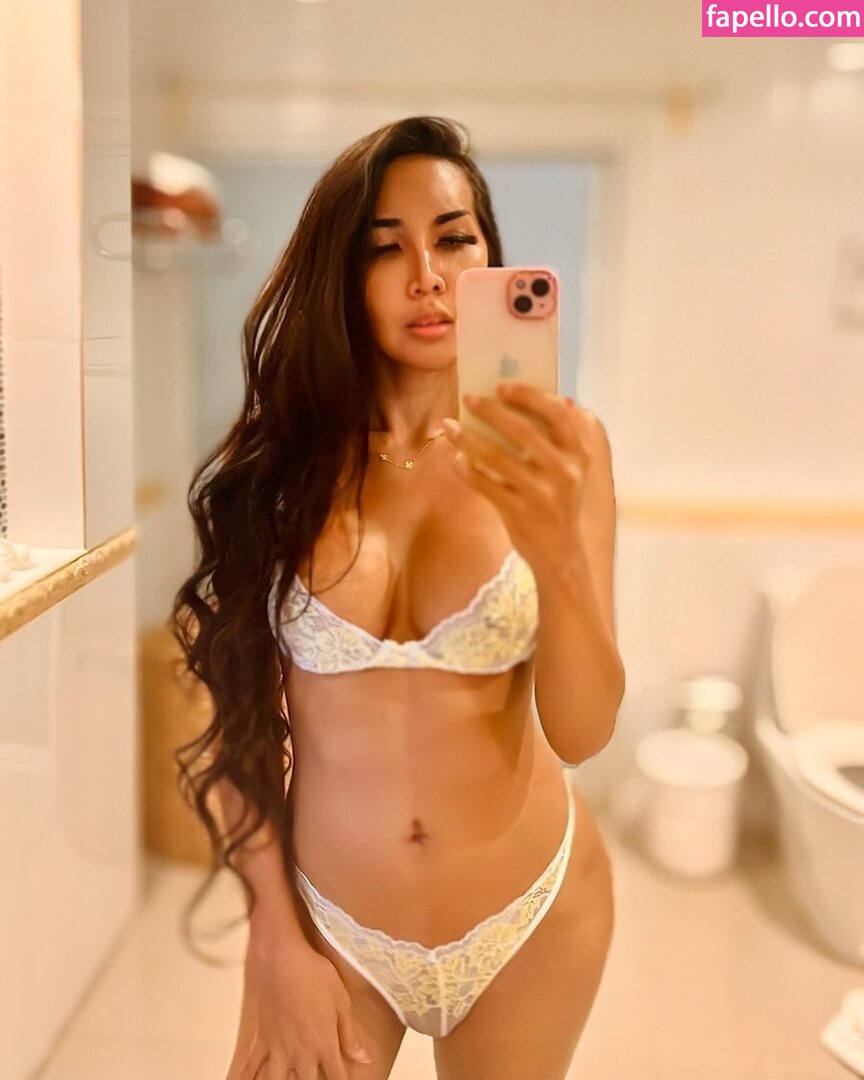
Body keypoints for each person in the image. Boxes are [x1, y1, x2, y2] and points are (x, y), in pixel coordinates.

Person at [170, 115, 625, 1080]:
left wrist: (555, 552)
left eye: (455, 239)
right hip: (331, 923)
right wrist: (272, 937)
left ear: (491, 257)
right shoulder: (281, 475)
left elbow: (583, 731)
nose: (428, 275)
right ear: (344, 275)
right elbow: (235, 728)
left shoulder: (566, 450)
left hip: (532, 917)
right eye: (387, 248)